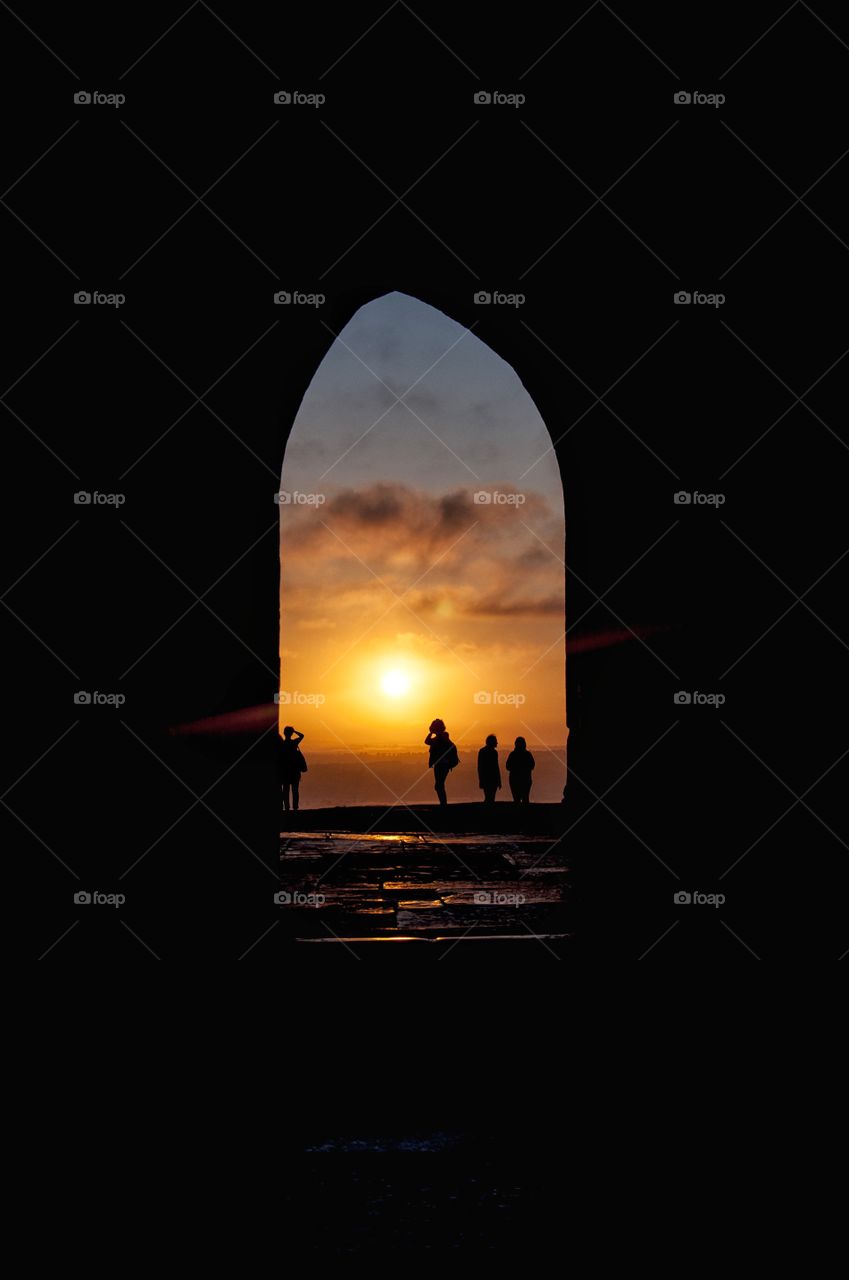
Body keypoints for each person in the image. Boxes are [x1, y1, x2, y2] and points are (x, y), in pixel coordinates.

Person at [424, 718, 459, 806]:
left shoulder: (442, 737)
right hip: (440, 764)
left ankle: (443, 804)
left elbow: (428, 742)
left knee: (439, 785)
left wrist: (431, 733)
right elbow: (427, 741)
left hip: (442, 765)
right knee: (439, 785)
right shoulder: (440, 737)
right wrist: (431, 733)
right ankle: (443, 803)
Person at [278, 725, 307, 811]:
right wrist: (294, 731)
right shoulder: (294, 743)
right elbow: (302, 735)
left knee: (285, 791)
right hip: (294, 771)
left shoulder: (282, 745)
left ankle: (287, 807)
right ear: (291, 734)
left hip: (285, 771)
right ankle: (295, 807)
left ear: (284, 733)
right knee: (295, 791)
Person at [505, 736, 535, 804]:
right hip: (526, 779)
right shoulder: (527, 754)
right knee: (525, 798)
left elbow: (507, 766)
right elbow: (532, 765)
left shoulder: (513, 754)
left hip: (514, 780)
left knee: (516, 799)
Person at [477, 734, 501, 804]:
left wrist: (481, 779)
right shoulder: (494, 753)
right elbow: (496, 767)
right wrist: (499, 781)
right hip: (492, 779)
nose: (497, 743)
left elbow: (480, 767)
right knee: (490, 798)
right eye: (496, 741)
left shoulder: (483, 751)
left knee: (488, 797)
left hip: (486, 778)